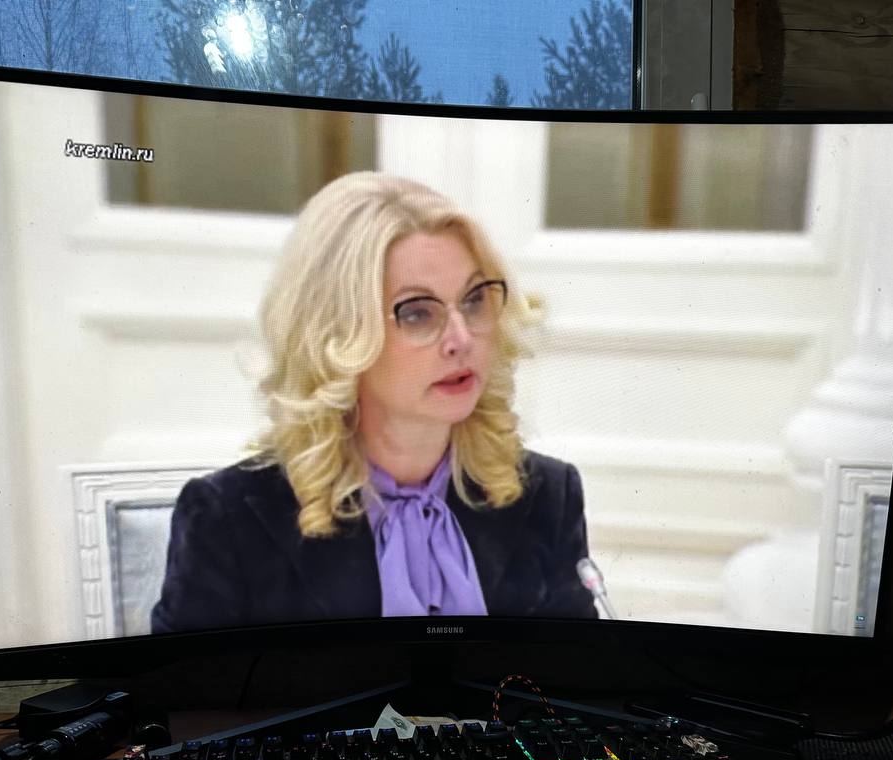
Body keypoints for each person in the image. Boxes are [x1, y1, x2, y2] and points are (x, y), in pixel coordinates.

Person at [150, 171, 597, 633]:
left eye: (474, 300)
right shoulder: (228, 518)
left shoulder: (548, 494)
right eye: (418, 313)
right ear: (338, 335)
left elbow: (574, 673)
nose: (461, 339)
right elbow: (185, 680)